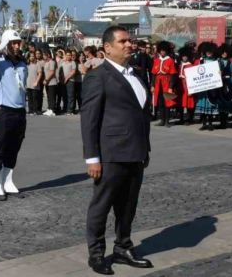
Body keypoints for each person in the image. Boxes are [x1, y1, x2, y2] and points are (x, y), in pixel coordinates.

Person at [81, 26, 153, 275]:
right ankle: (96, 254)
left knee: (128, 206)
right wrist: (92, 157)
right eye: (122, 41)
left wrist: (145, 148)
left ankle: (123, 247)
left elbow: (140, 114)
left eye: (130, 41)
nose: (129, 45)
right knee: (101, 206)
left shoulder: (137, 75)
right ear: (107, 47)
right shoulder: (98, 76)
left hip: (136, 152)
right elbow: (89, 120)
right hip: (110, 154)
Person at [0, 29, 27, 201]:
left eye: (18, 43)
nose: (16, 46)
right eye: (13, 43)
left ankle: (8, 182)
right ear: (6, 44)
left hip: (19, 111)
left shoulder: (22, 62)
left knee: (14, 148)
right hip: (3, 111)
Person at [195, 42, 220, 131]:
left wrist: (219, 73)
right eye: (207, 51)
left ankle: (210, 124)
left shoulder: (216, 61)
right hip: (203, 87)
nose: (209, 53)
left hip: (212, 87)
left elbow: (218, 73)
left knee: (210, 106)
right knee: (203, 106)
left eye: (210, 51)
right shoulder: (201, 61)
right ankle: (204, 123)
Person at [151, 41, 177, 127]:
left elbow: (173, 75)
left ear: (166, 51)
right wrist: (152, 85)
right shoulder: (156, 60)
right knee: (160, 102)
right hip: (158, 83)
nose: (162, 52)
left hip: (166, 82)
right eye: (161, 50)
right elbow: (153, 74)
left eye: (164, 50)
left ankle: (167, 121)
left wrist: (171, 87)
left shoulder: (170, 60)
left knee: (167, 102)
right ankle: (162, 120)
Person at [177, 46, 195, 125]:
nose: (184, 57)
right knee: (180, 103)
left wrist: (191, 89)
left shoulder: (190, 65)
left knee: (188, 103)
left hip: (187, 86)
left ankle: (189, 119)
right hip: (180, 86)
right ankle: (181, 118)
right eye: (183, 56)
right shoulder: (180, 65)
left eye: (186, 56)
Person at [25, 50, 43, 115]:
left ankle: (35, 110)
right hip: (28, 83)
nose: (32, 57)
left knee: (35, 98)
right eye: (31, 56)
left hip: (35, 83)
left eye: (33, 56)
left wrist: (37, 82)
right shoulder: (27, 65)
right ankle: (30, 110)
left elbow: (40, 74)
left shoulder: (37, 64)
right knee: (29, 98)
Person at [61, 50, 78, 115]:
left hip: (70, 81)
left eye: (70, 55)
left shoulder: (73, 62)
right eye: (67, 55)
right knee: (64, 95)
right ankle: (65, 108)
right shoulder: (63, 62)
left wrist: (67, 78)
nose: (68, 56)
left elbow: (73, 71)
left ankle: (70, 110)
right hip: (63, 81)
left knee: (70, 96)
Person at [42, 50, 58, 116]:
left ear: (48, 55)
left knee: (52, 97)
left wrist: (46, 79)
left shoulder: (52, 62)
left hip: (52, 82)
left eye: (44, 55)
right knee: (49, 96)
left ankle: (52, 110)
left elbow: (52, 72)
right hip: (47, 83)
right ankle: (49, 109)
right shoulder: (46, 62)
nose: (43, 56)